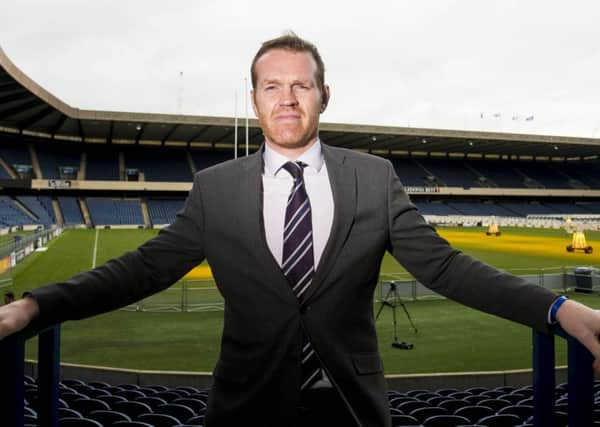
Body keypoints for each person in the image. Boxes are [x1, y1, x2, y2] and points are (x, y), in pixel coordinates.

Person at [1, 32, 600, 427]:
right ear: (256, 99)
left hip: (350, 408)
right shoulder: (216, 187)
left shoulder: (375, 176)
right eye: (272, 86)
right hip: (244, 408)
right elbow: (142, 269)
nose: (287, 98)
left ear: (323, 95)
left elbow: (445, 267)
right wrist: (32, 307)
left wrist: (559, 311)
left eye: (301, 85)